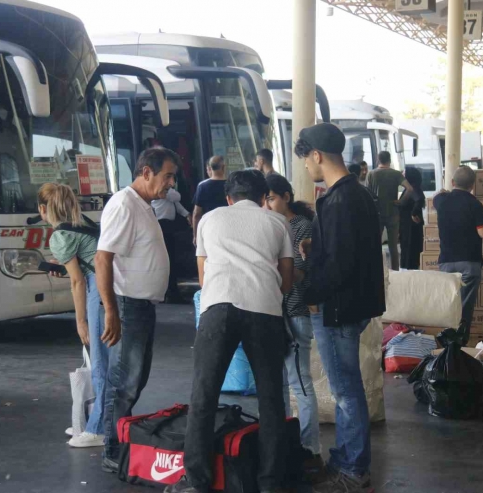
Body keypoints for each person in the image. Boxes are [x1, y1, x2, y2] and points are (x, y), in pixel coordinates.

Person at [166, 169, 294, 493]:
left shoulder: (208, 219)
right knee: (270, 397)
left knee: (204, 394)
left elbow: (203, 275)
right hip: (265, 309)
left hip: (218, 307)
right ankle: (270, 483)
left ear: (228, 197)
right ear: (264, 197)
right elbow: (288, 279)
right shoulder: (278, 223)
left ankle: (197, 481)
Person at [296, 123, 385, 493]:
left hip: (338, 307)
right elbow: (342, 252)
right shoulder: (356, 194)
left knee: (346, 392)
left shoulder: (339, 199)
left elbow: (340, 264)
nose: (305, 167)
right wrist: (314, 251)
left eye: (305, 159)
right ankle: (346, 457)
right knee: (347, 388)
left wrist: (306, 293)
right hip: (353, 303)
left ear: (316, 155)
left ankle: (354, 468)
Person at [96, 147, 176, 472]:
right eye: (167, 175)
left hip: (141, 306)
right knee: (123, 382)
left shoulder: (144, 205)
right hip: (128, 304)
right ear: (146, 172)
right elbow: (103, 257)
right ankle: (113, 450)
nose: (171, 183)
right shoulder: (124, 204)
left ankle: (121, 443)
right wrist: (111, 310)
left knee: (135, 380)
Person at [38, 183, 108, 448]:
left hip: (97, 290)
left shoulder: (59, 236)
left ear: (43, 210)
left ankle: (99, 428)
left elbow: (78, 281)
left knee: (99, 361)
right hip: (109, 285)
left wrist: (80, 321)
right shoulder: (84, 222)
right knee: (101, 361)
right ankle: (99, 421)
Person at [263, 173, 322, 470]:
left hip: (295, 312)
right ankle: (286, 442)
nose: (268, 204)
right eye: (265, 199)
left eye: (272, 198)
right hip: (274, 313)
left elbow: (298, 273)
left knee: (300, 382)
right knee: (280, 383)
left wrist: (275, 267)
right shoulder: (270, 225)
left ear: (286, 196)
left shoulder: (300, 226)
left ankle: (310, 447)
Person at [433, 167, 483, 334]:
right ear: (472, 185)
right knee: (464, 308)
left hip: (446, 263)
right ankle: (459, 343)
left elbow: (437, 195)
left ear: (452, 182)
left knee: (448, 305)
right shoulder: (474, 203)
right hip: (469, 263)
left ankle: (446, 341)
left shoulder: (441, 201)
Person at [366, 150, 413, 270]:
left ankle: (376, 269)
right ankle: (395, 270)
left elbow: (367, 193)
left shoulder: (371, 174)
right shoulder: (396, 174)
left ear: (378, 160)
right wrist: (401, 201)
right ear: (389, 160)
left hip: (377, 213)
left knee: (376, 244)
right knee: (393, 246)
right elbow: (409, 189)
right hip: (393, 212)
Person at [152, 187, 191, 303]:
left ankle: (171, 291)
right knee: (165, 261)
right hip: (161, 225)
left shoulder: (167, 192)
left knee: (170, 261)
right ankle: (167, 293)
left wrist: (186, 214)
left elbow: (176, 203)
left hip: (168, 227)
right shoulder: (159, 190)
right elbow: (176, 197)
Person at [191, 156, 227, 245]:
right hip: (227, 228)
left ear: (209, 168)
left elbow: (196, 213)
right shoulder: (231, 184)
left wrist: (196, 235)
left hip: (209, 228)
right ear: (223, 167)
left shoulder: (202, 186)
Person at [397, 166, 425, 270]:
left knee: (410, 248)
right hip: (407, 226)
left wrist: (414, 214)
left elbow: (419, 199)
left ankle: (409, 269)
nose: (402, 175)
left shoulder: (413, 189)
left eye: (404, 173)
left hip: (410, 227)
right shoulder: (410, 188)